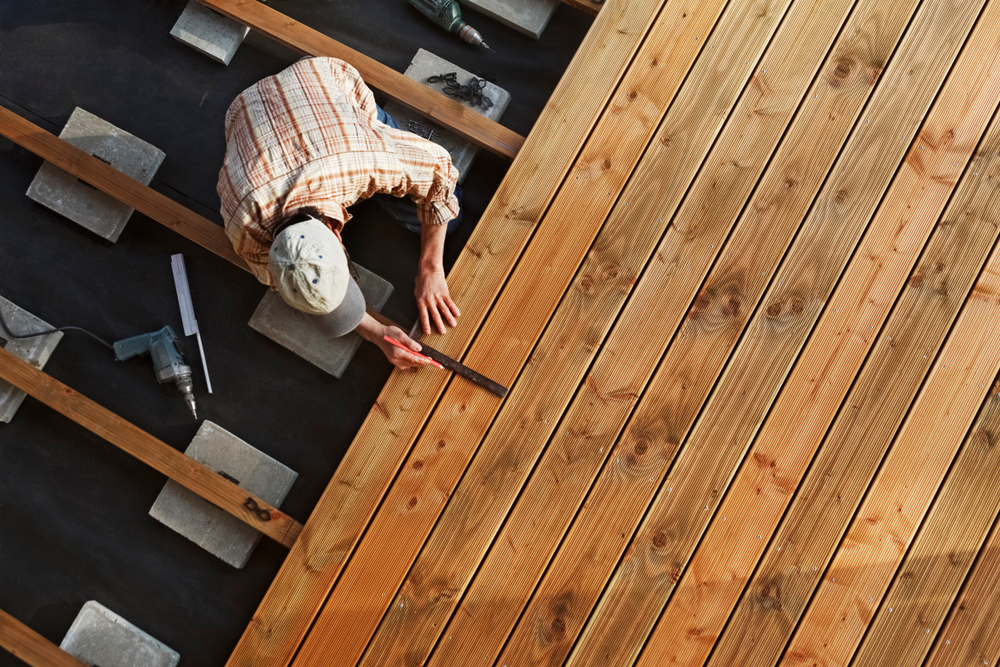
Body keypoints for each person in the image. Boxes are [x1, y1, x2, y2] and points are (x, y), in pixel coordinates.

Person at [217, 56, 463, 369]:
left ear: (337, 232)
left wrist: (430, 268)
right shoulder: (243, 230)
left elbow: (439, 171)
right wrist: (379, 334)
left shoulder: (361, 160)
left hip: (319, 81)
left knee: (449, 211)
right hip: (244, 114)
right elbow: (284, 282)